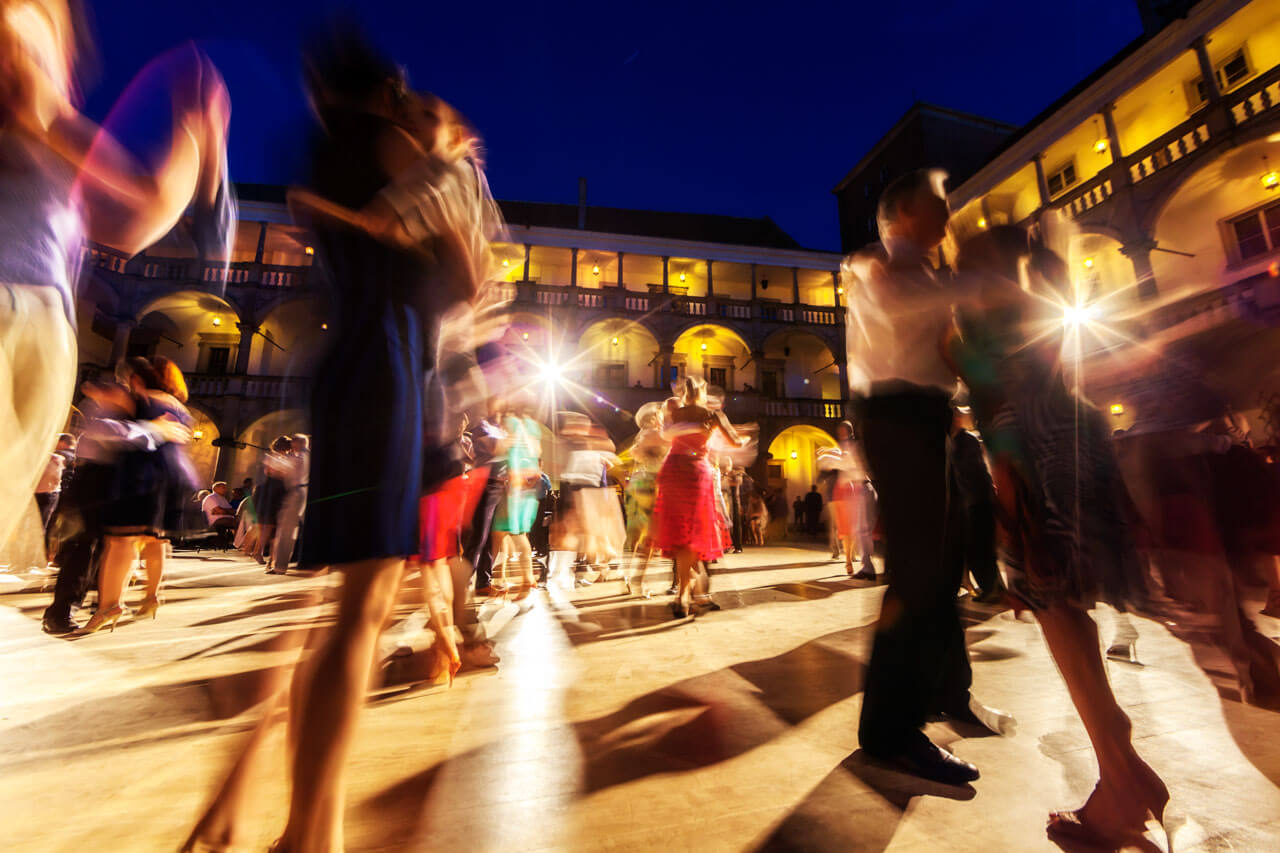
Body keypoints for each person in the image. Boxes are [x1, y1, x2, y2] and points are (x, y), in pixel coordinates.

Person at [186, 34, 502, 851]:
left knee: (336, 606)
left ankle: (268, 805)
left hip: (366, 367)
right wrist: (451, 209)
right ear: (380, 91)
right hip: (385, 370)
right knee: (353, 609)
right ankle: (306, 829)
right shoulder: (386, 148)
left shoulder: (334, 150)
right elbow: (464, 280)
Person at [951, 223, 1167, 846]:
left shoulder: (983, 326)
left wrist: (1017, 519)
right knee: (1075, 619)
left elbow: (1000, 427)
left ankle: (1121, 785)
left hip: (1036, 470)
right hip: (1078, 448)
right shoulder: (1041, 296)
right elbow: (1066, 383)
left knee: (1061, 618)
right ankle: (1122, 776)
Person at [0, 1, 231, 562]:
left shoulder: (44, 112)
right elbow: (142, 203)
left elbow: (131, 224)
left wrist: (196, 136)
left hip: (40, 321)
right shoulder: (25, 58)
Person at [844, 169, 1009, 786]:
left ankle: (948, 689)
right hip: (893, 411)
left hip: (927, 415)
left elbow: (946, 345)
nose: (949, 212)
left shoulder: (927, 274)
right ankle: (889, 729)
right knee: (918, 570)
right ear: (902, 213)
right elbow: (902, 308)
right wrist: (985, 274)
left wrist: (984, 397)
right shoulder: (880, 267)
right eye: (940, 203)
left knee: (943, 561)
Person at [41, 382, 190, 634]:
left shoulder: (136, 415)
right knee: (85, 548)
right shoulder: (105, 413)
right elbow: (103, 434)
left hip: (118, 484)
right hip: (94, 482)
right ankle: (63, 611)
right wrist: (154, 428)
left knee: (108, 547)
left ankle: (103, 604)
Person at [83, 356, 197, 632]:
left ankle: (109, 606)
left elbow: (103, 423)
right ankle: (151, 596)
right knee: (153, 541)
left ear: (139, 378)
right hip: (172, 478)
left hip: (140, 475)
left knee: (119, 542)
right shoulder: (179, 407)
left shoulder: (142, 399)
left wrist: (97, 392)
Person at [651, 377, 747, 618]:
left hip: (673, 469)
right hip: (696, 471)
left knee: (681, 534)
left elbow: (665, 437)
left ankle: (683, 594)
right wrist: (745, 437)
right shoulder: (711, 415)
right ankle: (689, 593)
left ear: (685, 393)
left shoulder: (676, 412)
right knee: (693, 533)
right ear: (702, 393)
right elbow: (735, 442)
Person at [949, 411, 1005, 604]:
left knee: (979, 548)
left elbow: (971, 470)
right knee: (978, 548)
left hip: (978, 499)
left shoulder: (966, 441)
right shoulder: (956, 441)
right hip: (970, 500)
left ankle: (993, 588)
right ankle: (993, 587)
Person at [820, 420, 875, 579]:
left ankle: (868, 568)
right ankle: (866, 566)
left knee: (862, 530)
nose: (839, 433)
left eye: (841, 431)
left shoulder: (853, 445)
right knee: (862, 530)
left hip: (860, 488)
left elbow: (845, 460)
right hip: (859, 489)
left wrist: (828, 455)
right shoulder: (850, 445)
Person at [266, 434, 310, 575]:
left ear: (299, 443)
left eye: (293, 442)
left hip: (296, 494)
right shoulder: (305, 455)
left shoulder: (296, 458)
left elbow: (275, 470)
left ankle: (280, 567)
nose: (291, 444)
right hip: (304, 492)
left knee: (285, 530)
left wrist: (274, 461)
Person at [250, 436, 291, 566]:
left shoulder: (278, 457)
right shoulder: (273, 457)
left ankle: (261, 553)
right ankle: (259, 552)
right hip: (272, 491)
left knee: (269, 526)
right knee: (268, 525)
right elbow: (269, 472)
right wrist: (283, 472)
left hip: (273, 491)